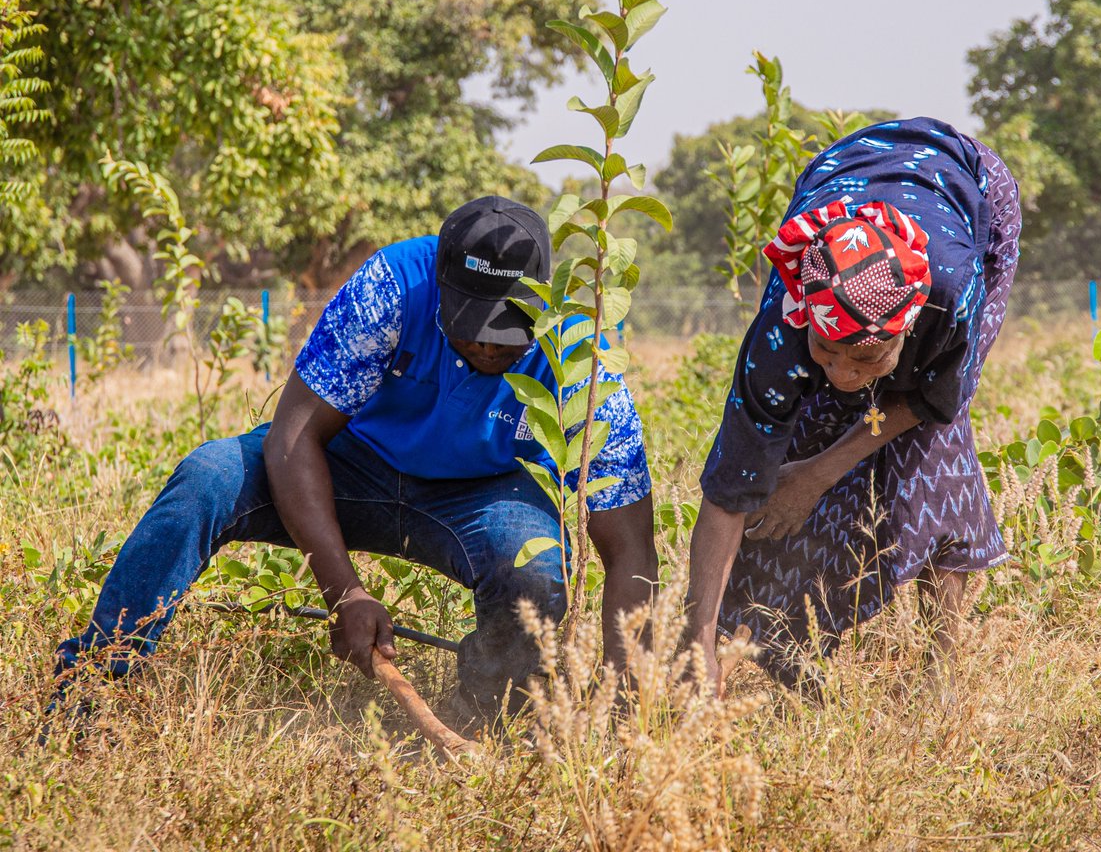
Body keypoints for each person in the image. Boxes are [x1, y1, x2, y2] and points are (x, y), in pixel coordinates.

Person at [52, 197, 657, 721]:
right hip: (351, 463)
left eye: (506, 330)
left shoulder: (582, 354)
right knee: (207, 477)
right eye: (469, 323)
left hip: (485, 494)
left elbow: (628, 544)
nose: (485, 343)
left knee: (537, 570)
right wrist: (345, 593)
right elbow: (292, 437)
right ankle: (90, 692)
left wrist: (628, 707)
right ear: (440, 284)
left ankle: (485, 727)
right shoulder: (391, 287)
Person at [682, 118, 1020, 693]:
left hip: (967, 183)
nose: (842, 374)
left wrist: (817, 475)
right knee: (799, 439)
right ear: (806, 321)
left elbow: (935, 398)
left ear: (906, 331)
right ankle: (767, 647)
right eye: (827, 351)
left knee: (935, 457)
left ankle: (938, 678)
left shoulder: (948, 296)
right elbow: (729, 488)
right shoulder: (783, 325)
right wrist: (697, 645)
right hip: (845, 167)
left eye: (866, 357)